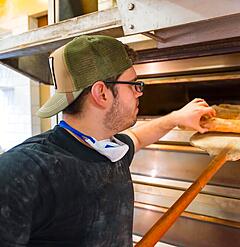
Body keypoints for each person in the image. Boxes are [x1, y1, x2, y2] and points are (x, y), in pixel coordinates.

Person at [0, 35, 215, 246]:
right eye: (132, 84)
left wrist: (176, 118)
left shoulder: (109, 149)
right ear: (102, 93)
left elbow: (137, 138)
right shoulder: (22, 172)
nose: (139, 93)